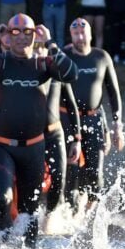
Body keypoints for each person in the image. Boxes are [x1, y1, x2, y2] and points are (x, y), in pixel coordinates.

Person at [0, 13, 78, 246]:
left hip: (34, 147)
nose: (21, 38)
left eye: (27, 32)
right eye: (14, 32)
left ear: (34, 34)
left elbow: (71, 73)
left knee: (30, 209)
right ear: (7, 34)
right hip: (1, 146)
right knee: (2, 196)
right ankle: (1, 246)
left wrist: (51, 43)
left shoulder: (43, 63)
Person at [63, 17, 123, 210]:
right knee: (71, 171)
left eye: (83, 33)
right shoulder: (64, 57)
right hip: (69, 121)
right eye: (76, 34)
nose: (80, 37)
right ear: (71, 36)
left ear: (91, 34)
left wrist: (116, 125)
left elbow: (113, 93)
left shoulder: (101, 57)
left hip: (94, 118)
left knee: (95, 171)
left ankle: (91, 212)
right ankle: (70, 213)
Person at [38, 26, 80, 212]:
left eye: (43, 47)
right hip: (32, 135)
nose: (40, 51)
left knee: (58, 179)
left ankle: (50, 216)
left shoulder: (57, 72)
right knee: (32, 180)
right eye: (36, 47)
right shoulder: (24, 71)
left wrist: (77, 139)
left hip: (55, 133)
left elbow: (71, 106)